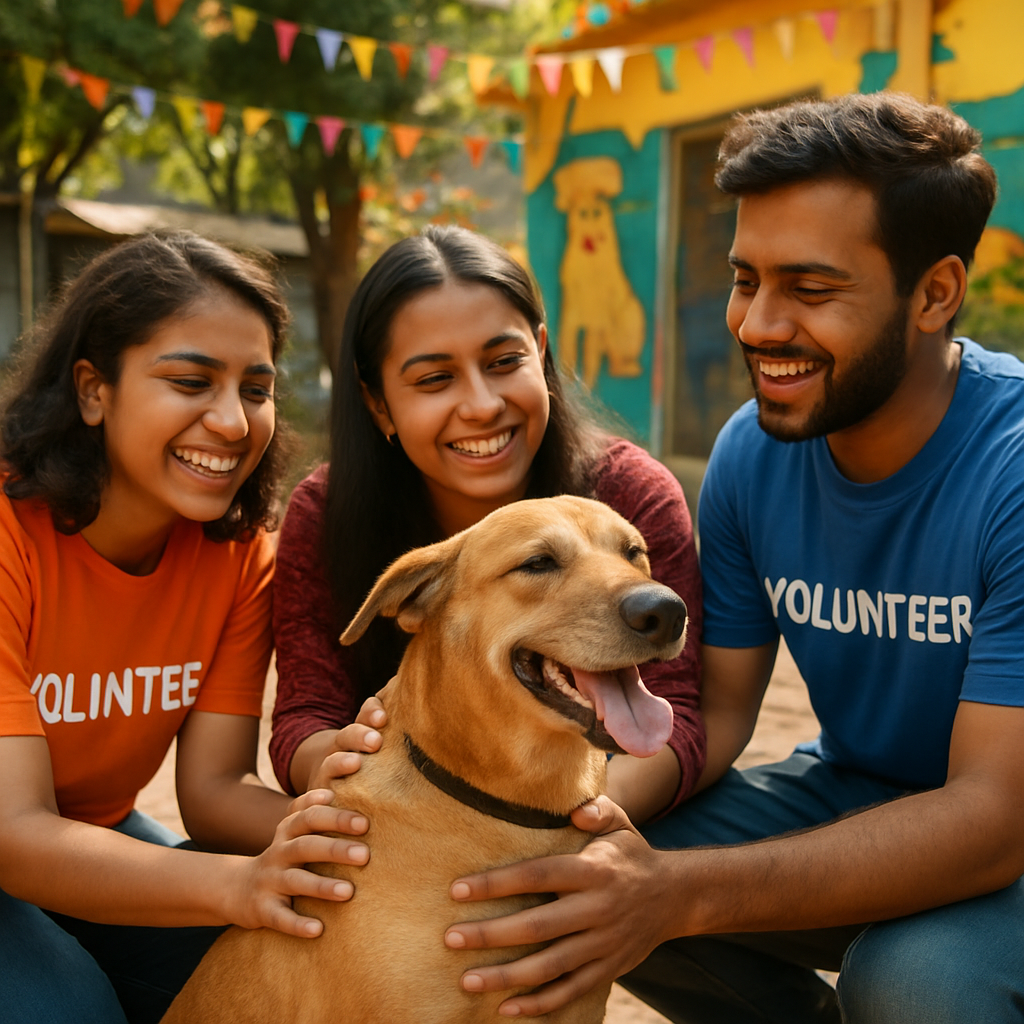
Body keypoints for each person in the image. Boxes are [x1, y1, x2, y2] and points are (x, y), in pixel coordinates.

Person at [434, 93, 1024, 1023]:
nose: (756, 324)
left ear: (935, 294)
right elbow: (714, 710)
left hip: (1006, 827)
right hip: (862, 789)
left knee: (911, 982)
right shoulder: (753, 452)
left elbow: (991, 821)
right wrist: (564, 830)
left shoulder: (1010, 469)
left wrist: (678, 895)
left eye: (811, 290)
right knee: (581, 872)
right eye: (746, 279)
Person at [0, 233, 370, 1024]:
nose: (233, 422)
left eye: (256, 389)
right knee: (69, 1009)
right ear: (93, 390)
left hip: (89, 839)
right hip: (17, 846)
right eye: (191, 381)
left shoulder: (236, 551)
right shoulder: (9, 533)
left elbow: (212, 792)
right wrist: (239, 884)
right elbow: (15, 834)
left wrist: (367, 837)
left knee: (304, 962)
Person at [270, 224, 705, 828]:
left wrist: (560, 835)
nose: (482, 405)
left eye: (504, 362)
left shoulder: (632, 493)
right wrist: (349, 768)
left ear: (542, 354)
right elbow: (305, 718)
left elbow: (678, 712)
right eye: (434, 379)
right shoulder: (327, 512)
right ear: (377, 403)